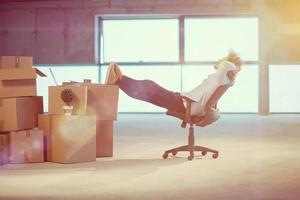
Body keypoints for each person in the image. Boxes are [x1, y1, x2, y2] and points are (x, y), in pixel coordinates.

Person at [105, 51, 242, 116]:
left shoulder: (222, 78)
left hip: (185, 104)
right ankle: (119, 80)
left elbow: (225, 64)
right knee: (148, 91)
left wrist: (235, 66)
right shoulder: (223, 80)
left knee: (149, 87)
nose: (220, 62)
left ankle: (119, 80)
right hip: (185, 101)